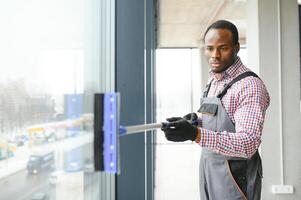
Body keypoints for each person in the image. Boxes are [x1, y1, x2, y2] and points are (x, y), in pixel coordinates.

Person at [161, 20, 270, 200]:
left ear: (236, 48)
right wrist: (196, 122)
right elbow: (221, 121)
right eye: (209, 48)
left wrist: (196, 134)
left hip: (235, 180)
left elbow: (248, 143)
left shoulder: (249, 86)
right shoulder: (213, 81)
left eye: (223, 48)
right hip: (209, 172)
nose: (215, 55)